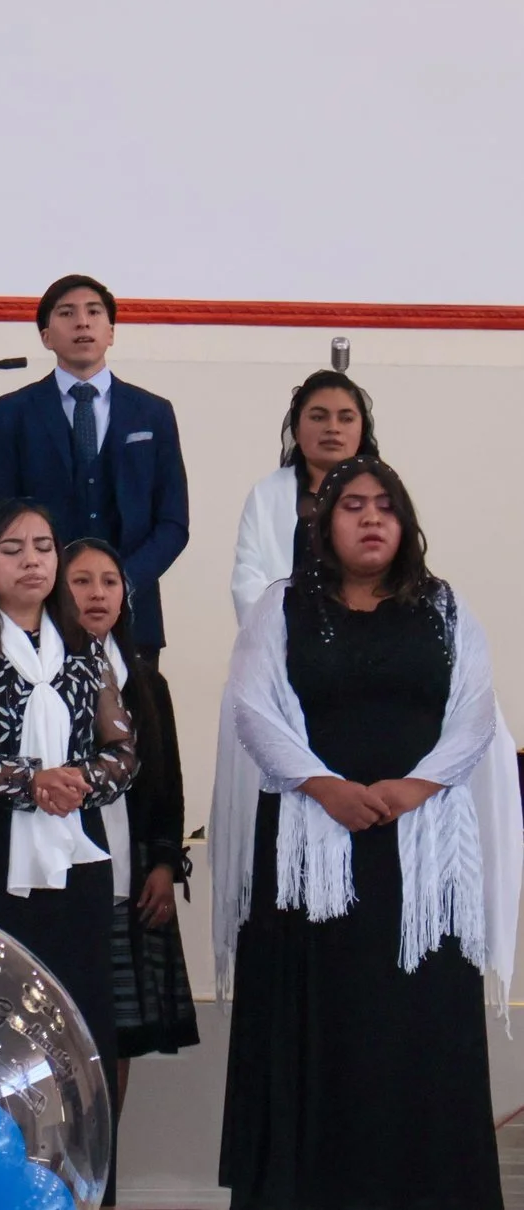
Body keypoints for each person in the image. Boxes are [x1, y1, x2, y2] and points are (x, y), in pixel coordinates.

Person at [214, 459, 518, 1210]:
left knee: (415, 1040)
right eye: (352, 505)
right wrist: (325, 789)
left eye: (386, 505)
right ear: (322, 524)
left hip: (417, 861)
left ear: (406, 523)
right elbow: (252, 709)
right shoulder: (280, 607)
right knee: (323, 1039)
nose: (371, 518)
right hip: (311, 860)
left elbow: (475, 709)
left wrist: (412, 788)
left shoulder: (443, 606)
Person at [0, 500, 137, 1202]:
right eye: (13, 548)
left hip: (75, 859)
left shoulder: (86, 649)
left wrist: (75, 783)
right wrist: (24, 782)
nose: (33, 561)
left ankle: (77, 1186)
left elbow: (123, 750)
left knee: (76, 1033)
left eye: (44, 547)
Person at [0, 275, 188, 658]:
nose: (82, 322)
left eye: (94, 312)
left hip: (133, 614)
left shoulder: (153, 412)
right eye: (67, 313)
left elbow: (173, 522)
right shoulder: (14, 412)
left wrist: (119, 583)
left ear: (111, 332)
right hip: (40, 609)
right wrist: (49, 580)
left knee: (132, 716)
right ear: (46, 336)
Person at [60, 539, 197, 1107]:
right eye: (82, 581)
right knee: (59, 1033)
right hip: (62, 876)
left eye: (110, 582)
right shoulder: (40, 673)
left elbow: (167, 781)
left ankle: (104, 1174)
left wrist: (165, 861)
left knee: (116, 1035)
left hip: (128, 873)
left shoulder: (146, 680)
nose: (97, 594)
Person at [230, 369, 377, 619]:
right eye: (318, 417)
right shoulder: (266, 496)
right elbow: (248, 581)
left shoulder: (385, 496)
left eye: (346, 418)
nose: (333, 428)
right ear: (296, 430)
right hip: (285, 638)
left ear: (362, 429)